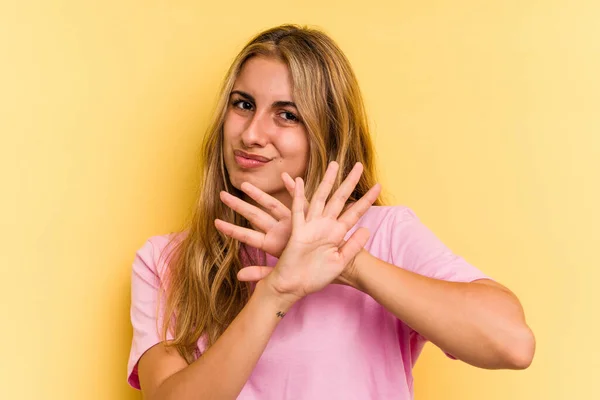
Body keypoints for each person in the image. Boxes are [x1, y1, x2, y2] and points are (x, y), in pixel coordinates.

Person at [126, 24, 535, 399]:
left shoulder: (382, 234)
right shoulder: (166, 262)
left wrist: (348, 262)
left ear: (328, 132)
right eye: (243, 104)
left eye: (287, 115)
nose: (251, 134)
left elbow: (512, 343)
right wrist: (276, 292)